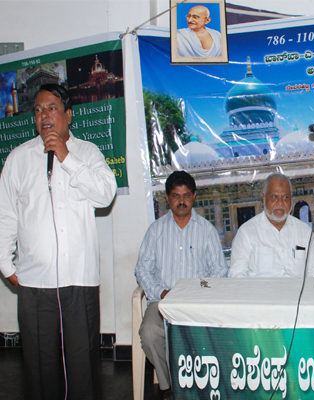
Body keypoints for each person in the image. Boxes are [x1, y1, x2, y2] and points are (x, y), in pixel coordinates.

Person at [0, 83, 117, 399]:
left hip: (79, 280)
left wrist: (66, 157)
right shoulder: (18, 159)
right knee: (39, 368)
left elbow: (105, 194)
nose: (44, 116)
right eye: (38, 110)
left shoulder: (87, 153)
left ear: (68, 114)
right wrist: (6, 266)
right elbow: (5, 215)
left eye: (51, 108)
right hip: (34, 283)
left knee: (82, 367)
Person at [135, 170, 228, 399]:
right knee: (149, 333)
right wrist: (161, 292)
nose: (182, 201)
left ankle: (204, 384)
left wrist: (198, 292)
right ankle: (168, 386)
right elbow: (142, 269)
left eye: (186, 195)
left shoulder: (206, 230)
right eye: (176, 196)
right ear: (167, 198)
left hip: (198, 302)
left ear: (194, 196)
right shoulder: (155, 230)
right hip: (162, 302)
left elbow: (219, 271)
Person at [229, 172, 314, 278]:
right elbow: (237, 274)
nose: (280, 202)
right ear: (263, 198)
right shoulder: (246, 232)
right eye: (274, 197)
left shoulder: (304, 231)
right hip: (261, 289)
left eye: (285, 197)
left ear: (291, 199)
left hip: (298, 289)